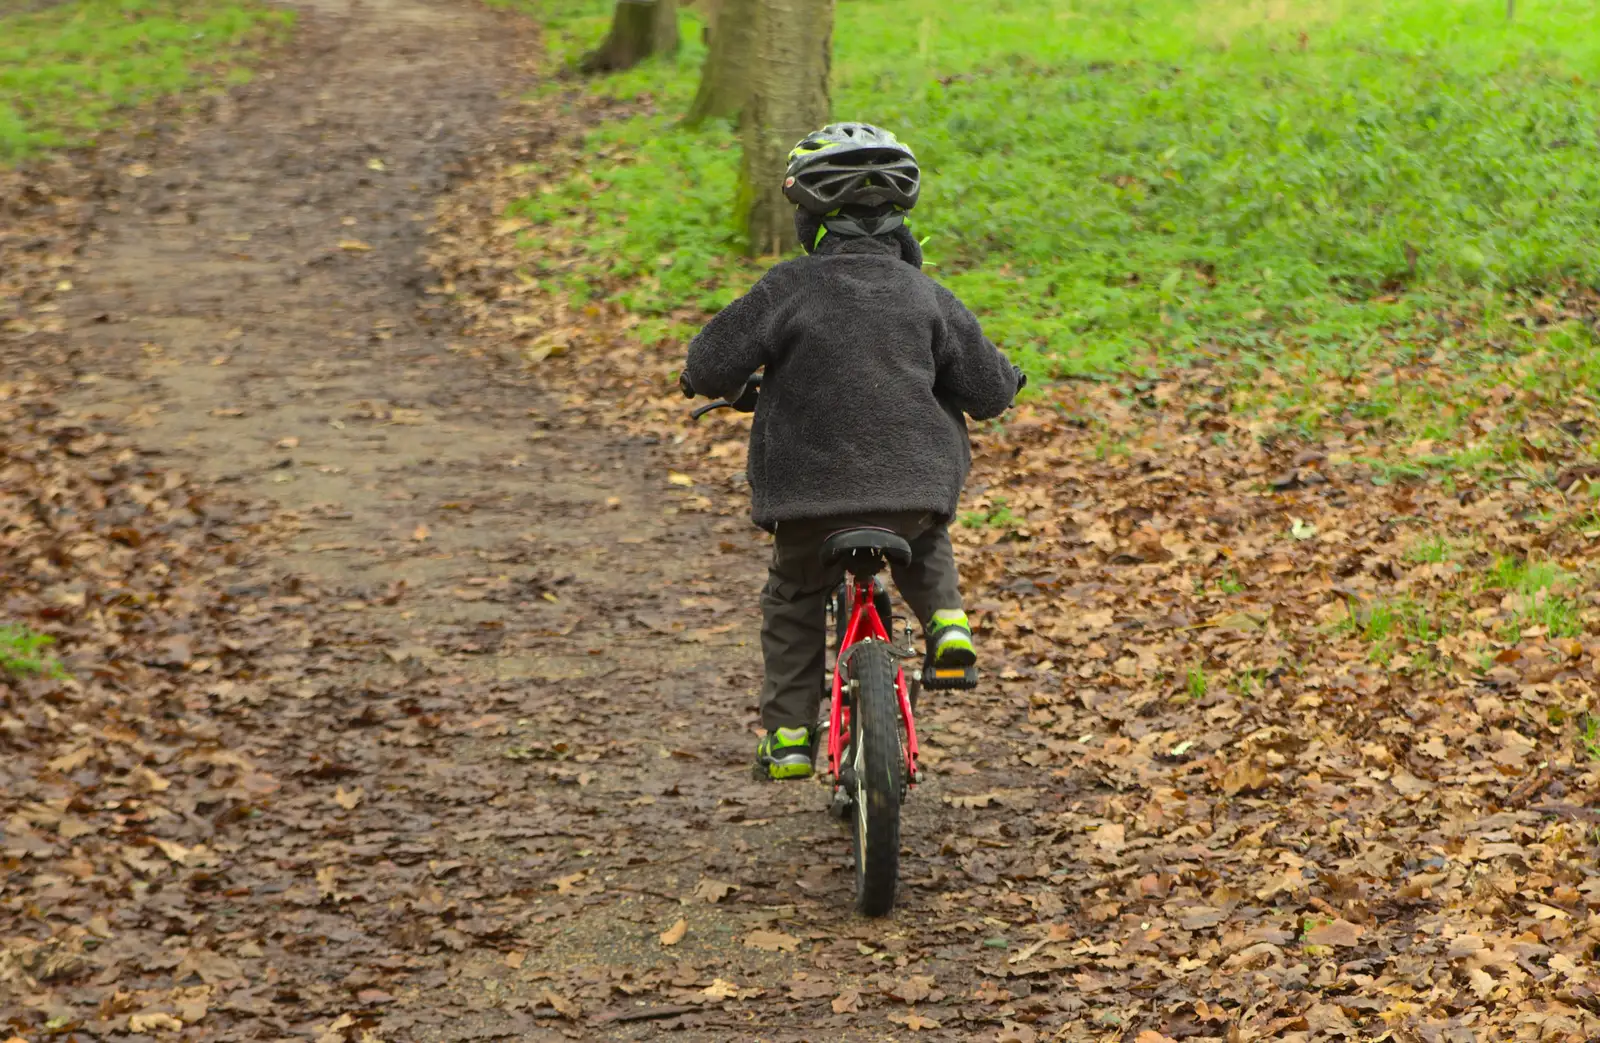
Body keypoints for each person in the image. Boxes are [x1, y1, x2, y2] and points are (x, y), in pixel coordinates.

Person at [679, 122, 1024, 781]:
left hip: (808, 497)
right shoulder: (929, 296)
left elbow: (714, 360)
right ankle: (949, 626)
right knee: (925, 536)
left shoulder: (787, 288)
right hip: (914, 490)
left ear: (808, 218)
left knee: (793, 595)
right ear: (899, 221)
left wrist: (702, 380)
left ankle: (786, 735)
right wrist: (1008, 384)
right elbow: (986, 388)